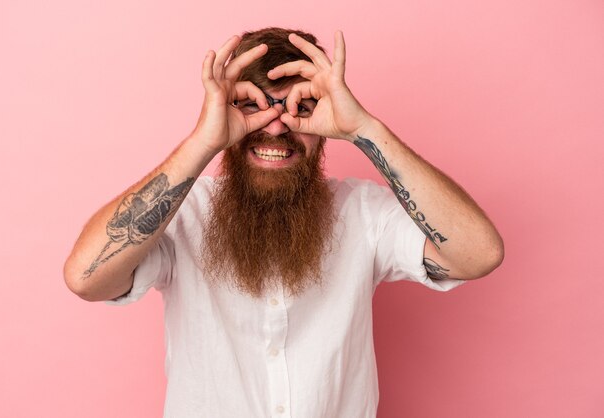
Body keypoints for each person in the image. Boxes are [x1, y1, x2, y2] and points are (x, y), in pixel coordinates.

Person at [64, 27, 503, 418]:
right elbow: (87, 278)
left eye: (300, 107)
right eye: (250, 106)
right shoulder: (183, 214)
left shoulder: (364, 214)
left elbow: (478, 254)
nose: (275, 129)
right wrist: (203, 140)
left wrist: (362, 128)